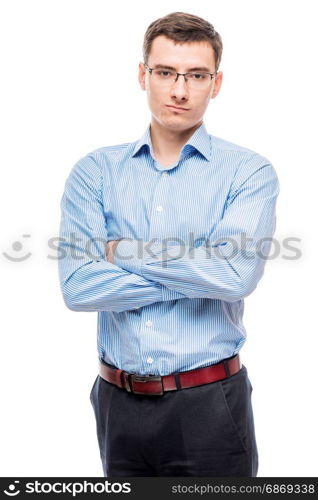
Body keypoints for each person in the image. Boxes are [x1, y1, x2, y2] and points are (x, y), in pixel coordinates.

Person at [58, 11, 279, 477]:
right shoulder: (96, 172)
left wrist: (123, 252)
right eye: (165, 73)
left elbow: (236, 276)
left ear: (215, 83)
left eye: (196, 75)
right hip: (116, 403)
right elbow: (78, 287)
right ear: (144, 75)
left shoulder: (248, 173)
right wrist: (200, 272)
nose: (179, 90)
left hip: (211, 404)